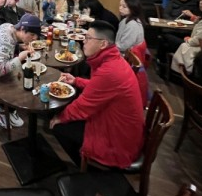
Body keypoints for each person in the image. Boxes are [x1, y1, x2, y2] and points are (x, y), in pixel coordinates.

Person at [50, 20, 144, 168]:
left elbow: (83, 106)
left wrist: (59, 118)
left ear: (103, 44)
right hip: (120, 124)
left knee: (59, 127)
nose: (84, 42)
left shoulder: (110, 71)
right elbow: (99, 87)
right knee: (70, 106)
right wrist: (76, 81)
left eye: (88, 38)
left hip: (118, 138)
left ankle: (89, 169)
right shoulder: (113, 60)